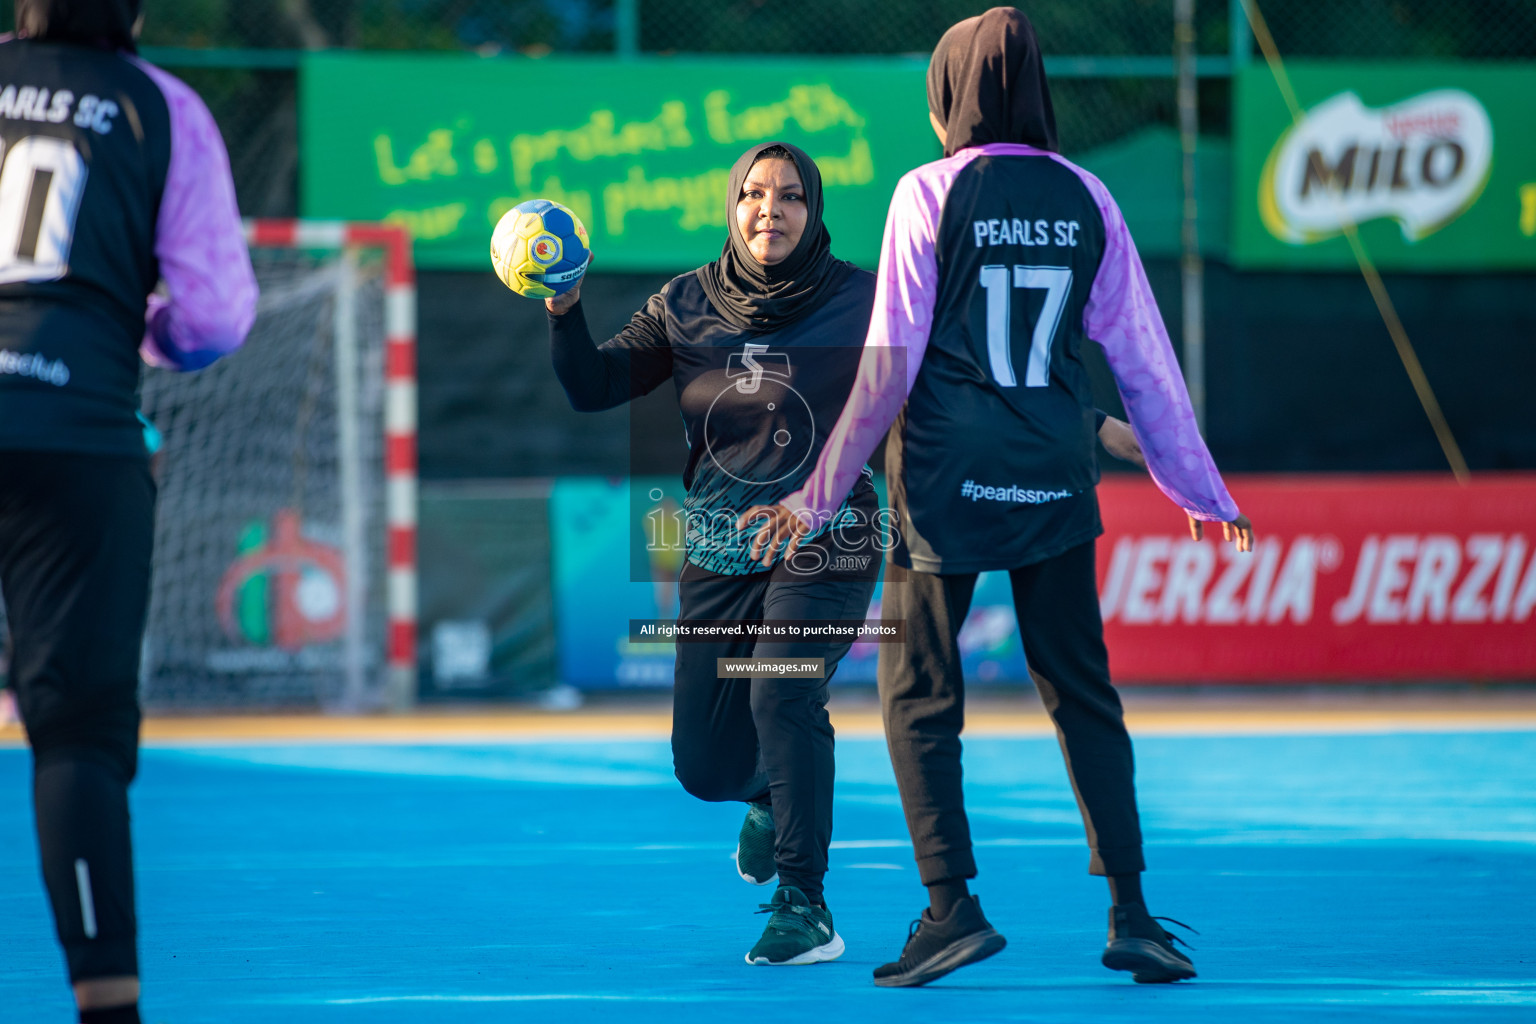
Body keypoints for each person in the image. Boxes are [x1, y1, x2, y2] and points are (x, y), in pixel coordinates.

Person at [741, 7, 1254, 989]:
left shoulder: (929, 192)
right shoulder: (1088, 196)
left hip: (943, 477)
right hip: (1055, 472)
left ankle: (951, 908)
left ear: (948, 93)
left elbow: (888, 369)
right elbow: (1141, 357)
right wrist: (1195, 483)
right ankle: (1134, 914)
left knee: (920, 697)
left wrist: (817, 493)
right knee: (1082, 692)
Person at [545, 141, 883, 966]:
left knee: (783, 692)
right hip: (719, 542)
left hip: (829, 534)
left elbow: (954, 377)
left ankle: (805, 903)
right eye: (755, 194)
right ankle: (771, 796)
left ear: (816, 209)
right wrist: (563, 308)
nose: (772, 209)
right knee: (701, 764)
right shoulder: (684, 303)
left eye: (792, 196)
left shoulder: (867, 298)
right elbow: (594, 388)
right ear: (731, 207)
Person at [0, 3, 257, 1022]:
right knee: (76, 740)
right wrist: (130, 326)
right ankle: (107, 1001)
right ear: (136, 10)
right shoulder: (162, 108)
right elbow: (212, 315)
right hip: (76, 424)